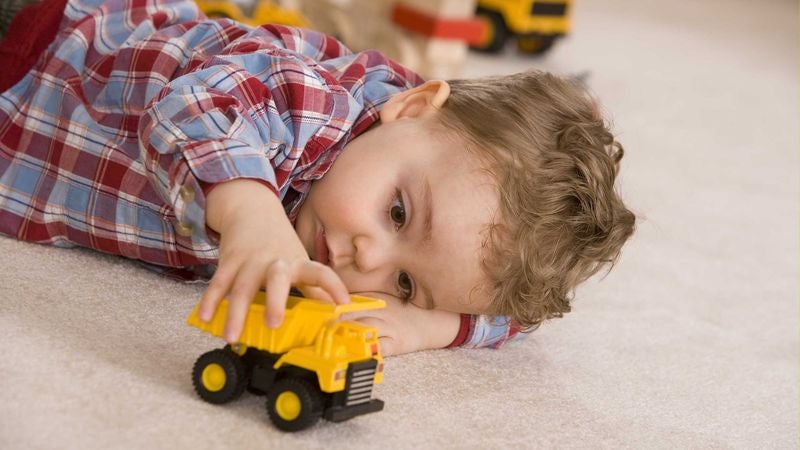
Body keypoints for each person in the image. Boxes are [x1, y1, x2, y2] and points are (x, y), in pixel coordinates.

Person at [0, 0, 635, 355]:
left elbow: (515, 308)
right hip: (44, 53)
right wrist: (253, 219)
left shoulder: (452, 221)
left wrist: (429, 324)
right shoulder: (316, 106)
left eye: (406, 283)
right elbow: (199, 107)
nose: (367, 261)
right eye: (396, 213)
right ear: (409, 108)